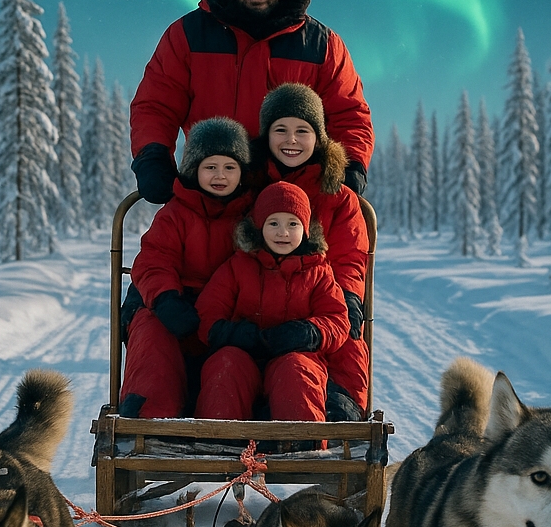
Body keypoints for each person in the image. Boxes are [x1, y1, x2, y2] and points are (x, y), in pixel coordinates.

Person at [129, 0, 373, 205]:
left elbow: (349, 113)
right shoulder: (187, 35)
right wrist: (153, 156)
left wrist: (351, 165)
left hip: (292, 204)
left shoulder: (322, 45)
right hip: (212, 194)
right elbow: (157, 104)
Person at [118, 118, 255, 418]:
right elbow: (154, 259)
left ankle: (220, 430)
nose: (220, 175)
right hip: (174, 308)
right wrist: (166, 298)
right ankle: (148, 423)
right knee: (152, 337)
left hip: (224, 318)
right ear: (194, 169)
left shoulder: (251, 217)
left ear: (242, 172)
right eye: (210, 167)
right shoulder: (176, 214)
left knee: (234, 360)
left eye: (229, 168)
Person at [258, 83, 370, 421]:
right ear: (266, 136)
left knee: (347, 339)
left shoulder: (339, 196)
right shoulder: (247, 185)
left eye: (302, 131)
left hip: (322, 304)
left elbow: (351, 257)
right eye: (281, 130)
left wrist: (349, 297)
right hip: (260, 302)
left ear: (318, 138)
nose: (291, 140)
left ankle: (340, 408)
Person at [194, 182, 349, 422]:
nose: (283, 232)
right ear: (259, 226)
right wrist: (234, 334)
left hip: (295, 355)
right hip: (243, 355)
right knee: (225, 365)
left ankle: (303, 447)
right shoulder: (238, 266)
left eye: (293, 224)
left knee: (298, 371)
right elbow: (207, 313)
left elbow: (337, 320)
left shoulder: (318, 272)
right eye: (273, 223)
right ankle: (217, 442)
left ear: (306, 229)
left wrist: (309, 332)